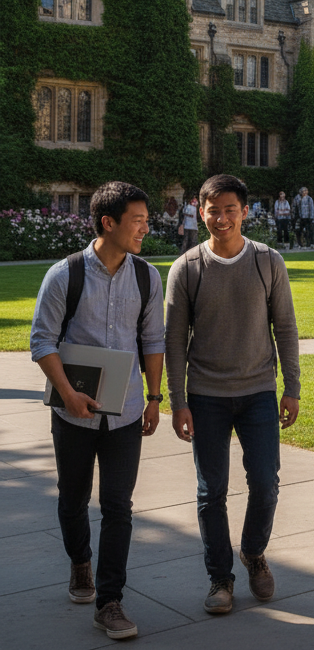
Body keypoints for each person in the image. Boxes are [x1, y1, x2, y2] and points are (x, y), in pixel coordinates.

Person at [30, 181, 165, 640]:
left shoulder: (148, 276)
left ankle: (110, 601)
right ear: (108, 223)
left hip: (125, 412)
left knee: (118, 507)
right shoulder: (64, 275)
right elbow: (42, 341)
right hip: (73, 412)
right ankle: (80, 564)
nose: (146, 228)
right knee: (72, 500)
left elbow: (153, 340)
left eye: (146, 220)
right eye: (138, 221)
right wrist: (67, 393)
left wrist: (153, 397)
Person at [165, 174, 301, 615]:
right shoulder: (187, 267)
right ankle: (219, 577)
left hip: (258, 390)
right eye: (212, 209)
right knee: (212, 492)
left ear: (245, 211)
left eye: (229, 209)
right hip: (205, 395)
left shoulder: (268, 261)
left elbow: (285, 327)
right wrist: (177, 400)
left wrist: (292, 387)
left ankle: (253, 553)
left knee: (265, 483)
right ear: (199, 210)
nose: (221, 218)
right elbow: (173, 340)